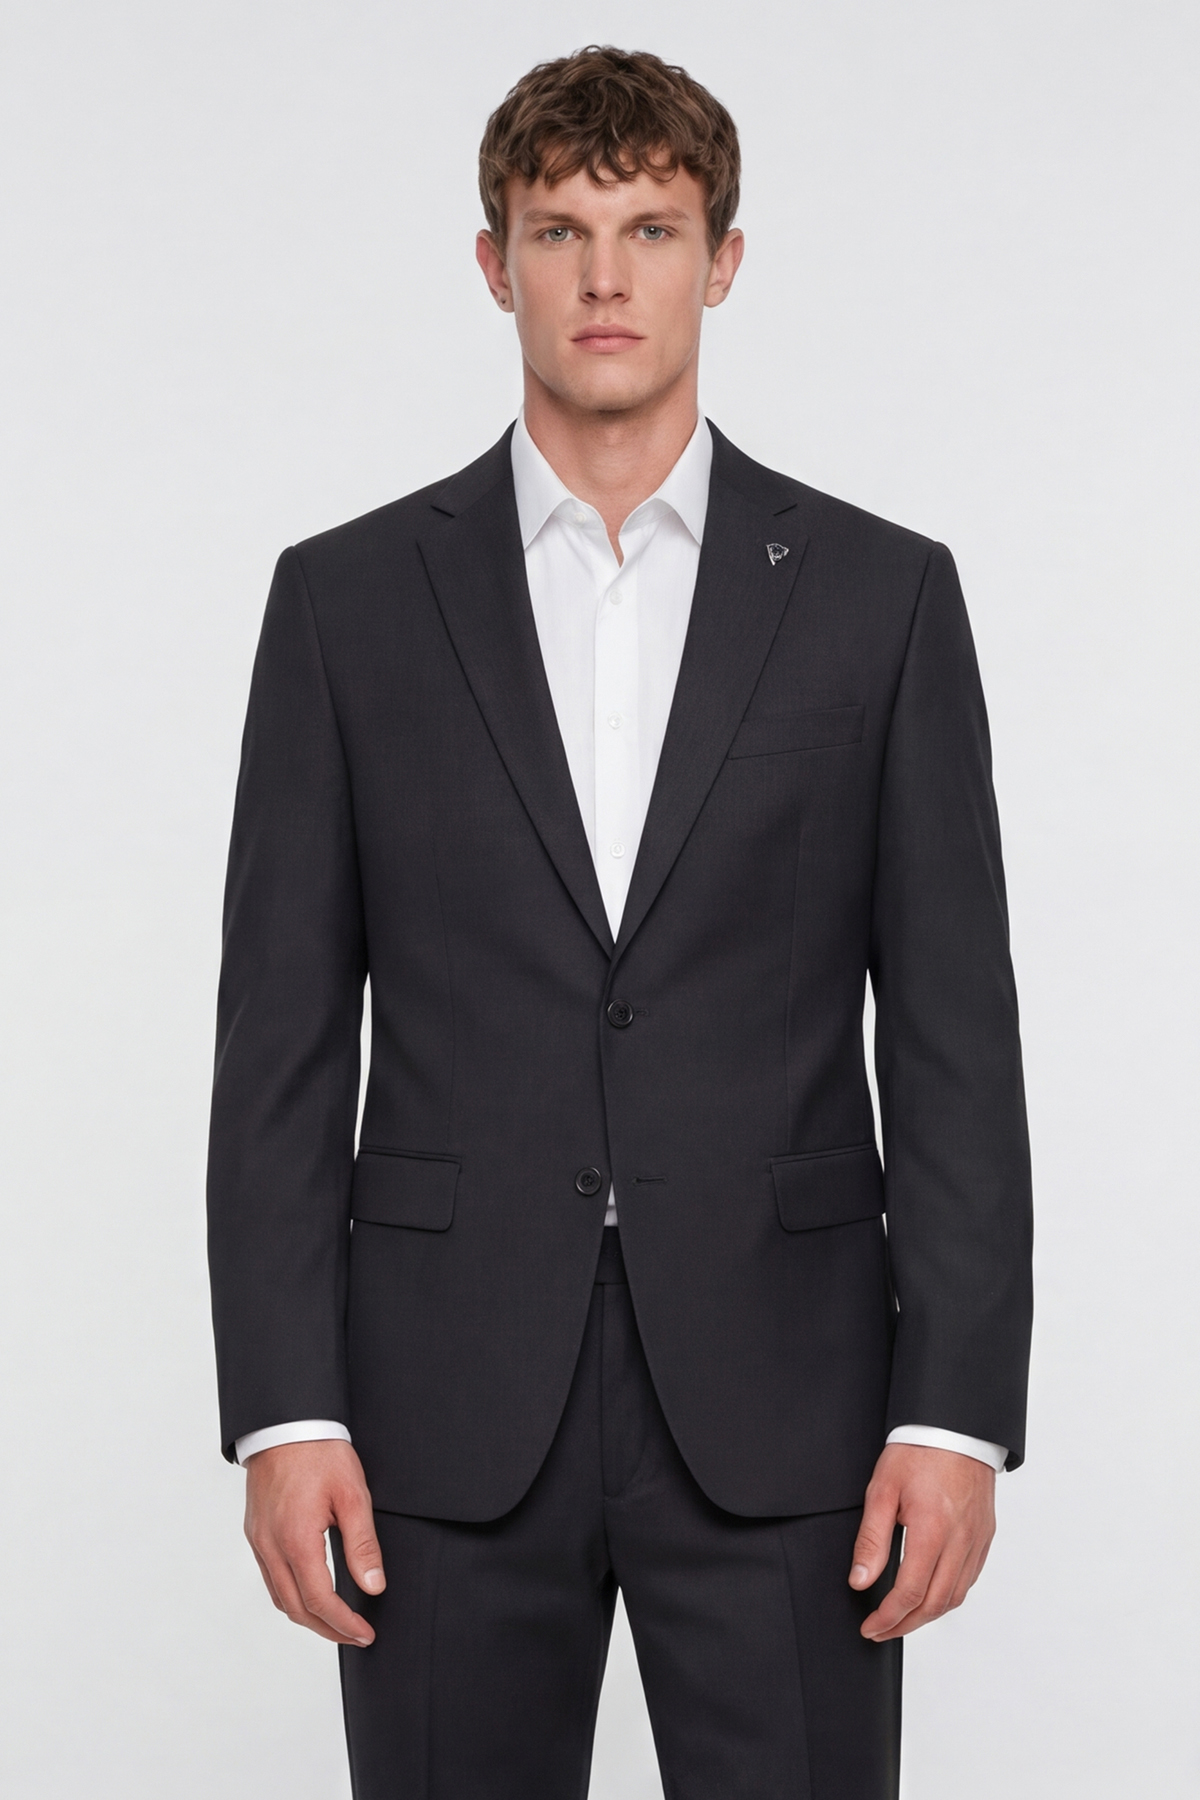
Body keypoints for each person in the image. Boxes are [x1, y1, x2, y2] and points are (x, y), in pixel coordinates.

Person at [207, 44, 1033, 1799]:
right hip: (440, 1405)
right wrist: (286, 1409)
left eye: (651, 229)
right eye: (559, 230)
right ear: (492, 260)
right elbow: (279, 1042)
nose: (604, 276)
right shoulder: (346, 604)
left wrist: (952, 1410)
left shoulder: (881, 599)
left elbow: (954, 1035)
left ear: (721, 261)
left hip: (792, 1401)